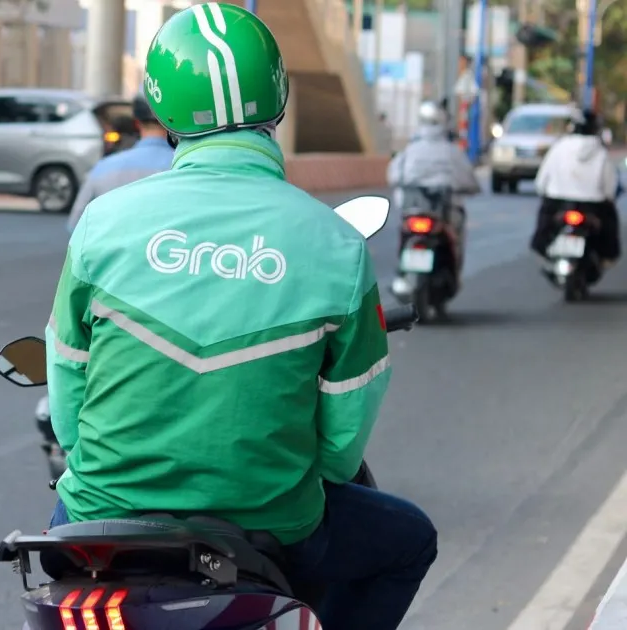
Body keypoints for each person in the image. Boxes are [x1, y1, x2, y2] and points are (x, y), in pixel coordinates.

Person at [43, 4, 437, 630]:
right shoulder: (335, 243)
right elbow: (342, 448)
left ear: (161, 107)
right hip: (272, 525)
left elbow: (67, 400)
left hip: (102, 516)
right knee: (409, 540)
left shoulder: (102, 224)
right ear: (278, 97)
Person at [388, 100, 481, 274]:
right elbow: (469, 180)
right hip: (442, 213)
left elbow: (393, 176)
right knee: (456, 230)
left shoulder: (409, 150)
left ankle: (402, 270)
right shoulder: (452, 151)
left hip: (412, 209)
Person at [66, 92, 175, 231]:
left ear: (136, 123)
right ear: (172, 122)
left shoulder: (103, 167)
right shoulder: (183, 167)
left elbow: (75, 225)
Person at [531, 107, 620, 267]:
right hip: (593, 206)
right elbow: (609, 189)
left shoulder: (559, 148)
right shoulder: (601, 153)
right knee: (609, 228)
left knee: (542, 233)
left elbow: (541, 182)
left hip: (557, 202)